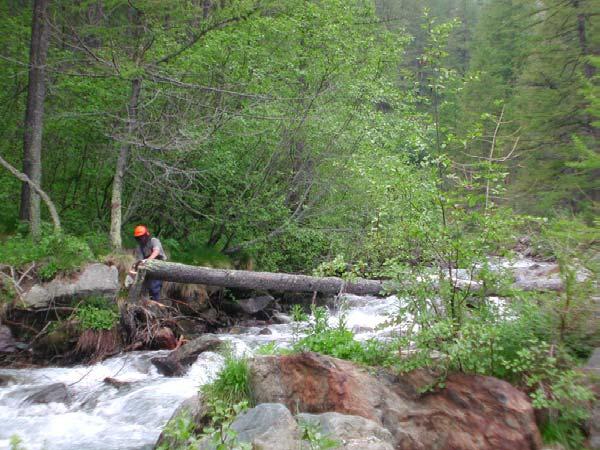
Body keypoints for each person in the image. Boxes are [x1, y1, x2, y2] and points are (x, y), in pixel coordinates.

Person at [129, 225, 166, 300]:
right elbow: (139, 260)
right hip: (147, 267)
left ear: (146, 235)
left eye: (142, 236)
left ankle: (155, 304)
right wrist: (134, 268)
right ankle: (145, 304)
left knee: (154, 287)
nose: (141, 239)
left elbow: (156, 251)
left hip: (159, 264)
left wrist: (147, 260)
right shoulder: (139, 247)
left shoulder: (154, 241)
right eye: (139, 237)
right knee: (144, 286)